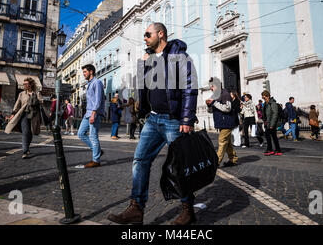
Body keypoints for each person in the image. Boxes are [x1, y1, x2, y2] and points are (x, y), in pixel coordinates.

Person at [108, 22, 198, 225]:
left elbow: (189, 87)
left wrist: (187, 118)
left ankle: (187, 209)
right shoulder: (148, 59)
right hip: (153, 119)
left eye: (148, 34)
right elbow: (144, 87)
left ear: (161, 34)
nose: (145, 38)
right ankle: (136, 209)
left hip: (173, 120)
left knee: (179, 166)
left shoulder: (179, 56)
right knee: (140, 160)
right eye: (144, 35)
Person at [5, 77, 43, 159]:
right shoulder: (21, 94)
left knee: (31, 132)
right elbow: (17, 105)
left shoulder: (37, 93)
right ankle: (25, 151)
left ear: (30, 85)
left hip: (34, 116)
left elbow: (41, 102)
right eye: (24, 84)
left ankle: (27, 146)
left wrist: (35, 99)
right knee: (25, 132)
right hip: (24, 115)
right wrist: (13, 114)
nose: (24, 85)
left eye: (26, 84)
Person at [77, 64, 105, 168]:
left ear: (91, 72)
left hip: (94, 113)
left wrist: (93, 114)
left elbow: (97, 100)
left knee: (93, 136)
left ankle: (96, 160)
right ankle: (97, 150)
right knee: (80, 133)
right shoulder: (89, 84)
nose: (83, 74)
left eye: (85, 72)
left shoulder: (97, 83)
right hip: (87, 113)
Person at [206, 77, 238, 167]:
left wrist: (214, 103)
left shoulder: (225, 94)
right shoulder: (214, 96)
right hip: (220, 122)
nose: (210, 88)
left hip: (227, 122)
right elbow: (210, 111)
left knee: (222, 141)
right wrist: (209, 105)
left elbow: (227, 108)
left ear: (216, 86)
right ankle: (233, 159)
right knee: (227, 143)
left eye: (211, 86)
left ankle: (216, 162)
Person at [261, 90, 282, 156]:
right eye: (263, 98)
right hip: (267, 123)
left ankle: (274, 150)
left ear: (268, 96)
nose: (264, 99)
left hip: (271, 123)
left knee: (271, 136)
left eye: (265, 97)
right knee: (270, 136)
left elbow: (275, 114)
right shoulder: (265, 104)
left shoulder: (273, 103)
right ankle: (274, 150)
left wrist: (272, 125)